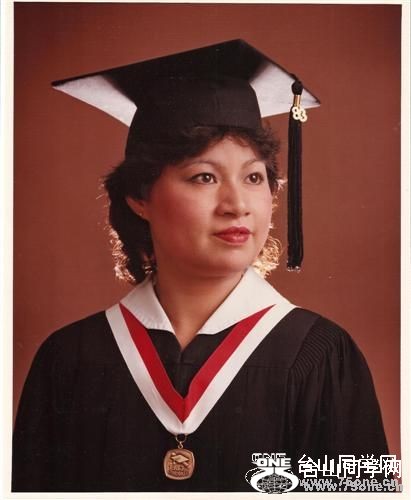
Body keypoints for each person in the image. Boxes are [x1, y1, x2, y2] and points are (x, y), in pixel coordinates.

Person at [12, 39, 388, 493]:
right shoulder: (69, 359)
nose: (237, 204)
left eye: (254, 177)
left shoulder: (324, 355)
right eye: (204, 177)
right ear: (139, 197)